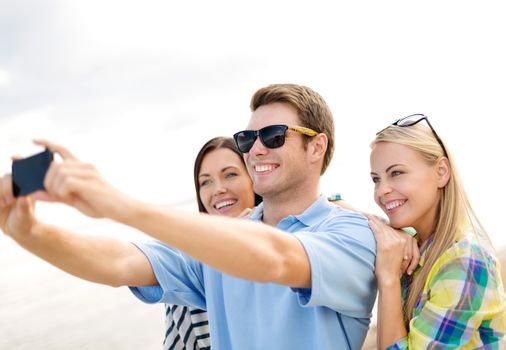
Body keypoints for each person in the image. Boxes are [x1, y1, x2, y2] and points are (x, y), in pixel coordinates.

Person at [0, 84, 395, 349]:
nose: (255, 149)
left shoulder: (352, 232)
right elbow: (119, 262)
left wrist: (118, 203)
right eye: (247, 139)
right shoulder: (220, 243)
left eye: (273, 135)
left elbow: (278, 259)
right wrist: (29, 232)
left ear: (316, 147)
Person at [368, 114, 506, 349]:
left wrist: (389, 278)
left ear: (441, 172)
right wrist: (383, 227)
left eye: (397, 173)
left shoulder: (466, 260)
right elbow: (333, 204)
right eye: (376, 179)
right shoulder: (420, 244)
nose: (382, 190)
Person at [164, 136, 261, 350]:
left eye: (230, 175)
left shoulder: (295, 242)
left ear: (255, 179)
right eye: (206, 181)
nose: (218, 189)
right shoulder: (192, 270)